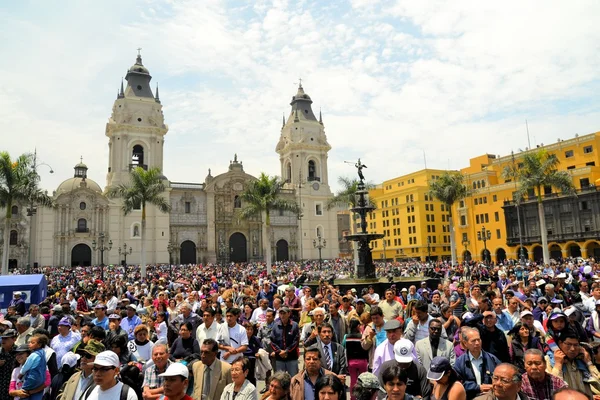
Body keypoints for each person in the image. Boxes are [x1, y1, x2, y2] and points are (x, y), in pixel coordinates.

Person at [547, 328, 600, 397]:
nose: (573, 349)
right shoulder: (549, 361)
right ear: (560, 343)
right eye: (568, 344)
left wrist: (589, 363)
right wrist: (558, 365)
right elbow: (552, 389)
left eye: (576, 345)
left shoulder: (582, 361)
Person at [454, 327, 501, 400]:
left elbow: (501, 378)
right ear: (465, 343)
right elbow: (457, 383)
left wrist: (493, 386)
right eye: (473, 341)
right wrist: (478, 388)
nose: (477, 343)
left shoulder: (492, 359)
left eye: (478, 340)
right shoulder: (460, 362)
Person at [269, 306, 300, 376]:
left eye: (284, 313)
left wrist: (286, 351)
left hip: (292, 357)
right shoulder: (275, 326)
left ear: (289, 314)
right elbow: (272, 341)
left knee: (294, 378)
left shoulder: (294, 325)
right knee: (280, 379)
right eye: (281, 313)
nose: (282, 315)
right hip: (279, 358)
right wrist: (280, 351)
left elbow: (296, 341)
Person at [17, 334, 48, 400]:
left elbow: (26, 366)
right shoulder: (43, 352)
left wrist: (20, 374)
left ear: (39, 345)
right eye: (29, 342)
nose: (29, 344)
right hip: (41, 378)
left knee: (24, 392)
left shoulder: (33, 355)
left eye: (32, 343)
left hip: (33, 378)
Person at [361, 306, 386, 371]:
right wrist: (370, 338)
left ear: (382, 316)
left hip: (387, 360)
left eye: (377, 318)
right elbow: (364, 346)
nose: (375, 320)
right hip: (375, 362)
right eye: (373, 318)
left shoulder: (389, 326)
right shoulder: (369, 328)